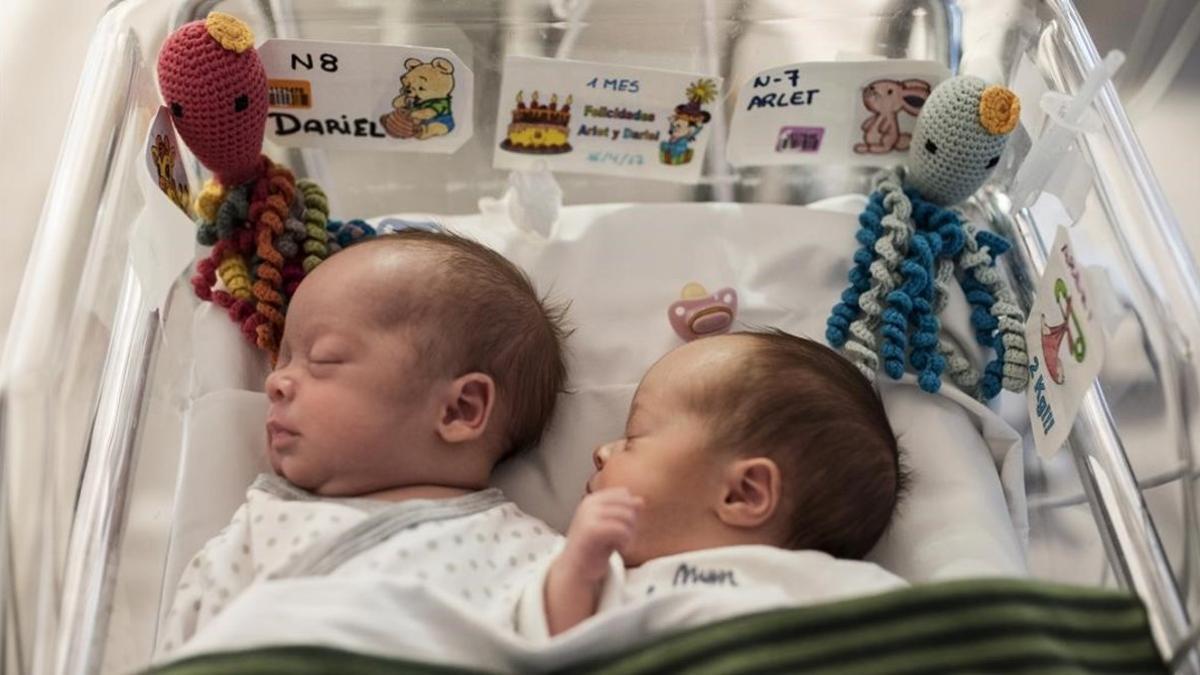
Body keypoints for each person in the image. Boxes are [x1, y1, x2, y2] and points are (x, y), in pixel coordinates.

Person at [158, 230, 569, 655]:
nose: (275, 382)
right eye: (283, 359)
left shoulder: (531, 555)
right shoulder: (259, 526)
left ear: (458, 410)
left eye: (323, 359)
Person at [520, 330, 906, 638]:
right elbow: (556, 643)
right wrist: (578, 565)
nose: (602, 451)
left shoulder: (843, 589)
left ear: (743, 493)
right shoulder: (611, 579)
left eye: (633, 438)